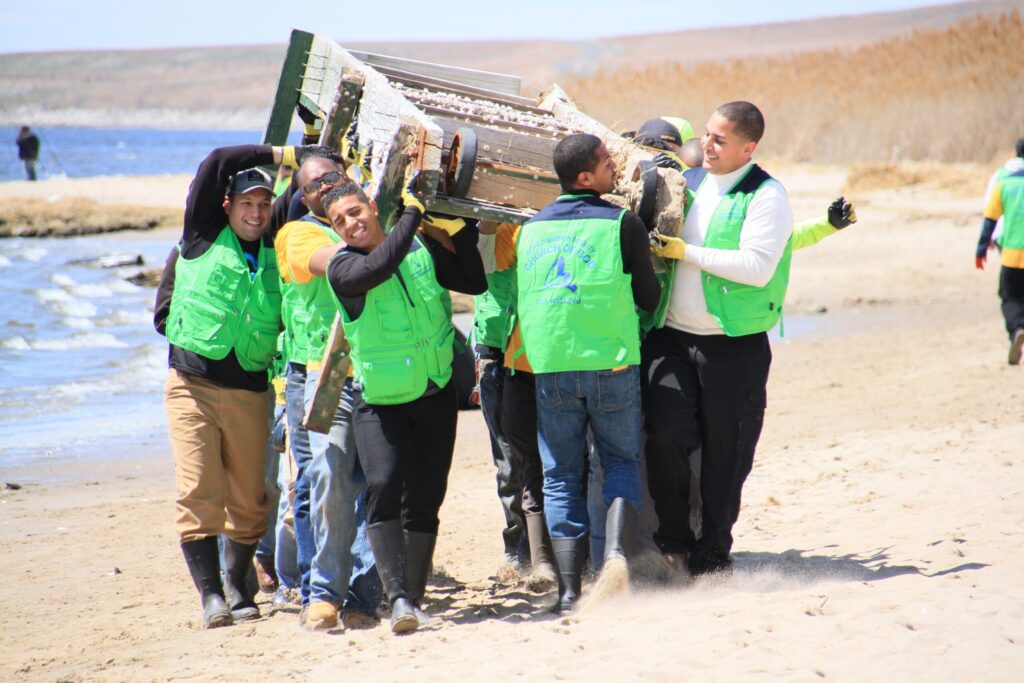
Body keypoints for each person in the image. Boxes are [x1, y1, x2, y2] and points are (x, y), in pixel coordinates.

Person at [164, 142, 316, 628]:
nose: (255, 212)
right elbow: (215, 162)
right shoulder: (202, 233)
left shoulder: (278, 247)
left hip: (251, 391)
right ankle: (211, 596)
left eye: (262, 203)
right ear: (227, 206)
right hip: (192, 386)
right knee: (198, 490)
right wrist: (286, 151)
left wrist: (316, 160)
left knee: (253, 498)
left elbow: (311, 191)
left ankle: (239, 584)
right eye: (246, 203)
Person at [324, 177, 486, 633]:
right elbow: (377, 267)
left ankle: (412, 599)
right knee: (384, 483)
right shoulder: (343, 269)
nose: (351, 224)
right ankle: (395, 598)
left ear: (373, 207)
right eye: (339, 221)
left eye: (356, 212)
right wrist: (412, 216)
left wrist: (456, 232)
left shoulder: (419, 250)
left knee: (427, 494)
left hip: (435, 393)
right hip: (380, 403)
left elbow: (473, 281)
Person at [644, 101, 793, 576]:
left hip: (734, 345)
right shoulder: (685, 183)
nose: (705, 146)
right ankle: (674, 539)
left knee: (727, 454)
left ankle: (713, 552)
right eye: (706, 134)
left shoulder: (767, 196)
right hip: (670, 337)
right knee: (665, 436)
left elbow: (757, 267)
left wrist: (687, 252)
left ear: (748, 148)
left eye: (719, 140)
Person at [515, 133, 660, 612]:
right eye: (605, 163)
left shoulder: (530, 229)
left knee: (559, 476)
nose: (613, 169)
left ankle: (570, 592)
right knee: (618, 461)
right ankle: (615, 556)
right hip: (611, 363)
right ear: (585, 177)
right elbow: (648, 297)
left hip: (552, 366)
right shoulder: (622, 223)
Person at [276, 151, 382, 630]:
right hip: (325, 369)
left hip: (379, 364)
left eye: (333, 178)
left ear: (350, 176)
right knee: (328, 474)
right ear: (303, 196)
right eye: (314, 184)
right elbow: (337, 265)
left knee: (376, 482)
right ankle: (321, 591)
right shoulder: (298, 233)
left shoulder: (368, 219)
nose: (324, 187)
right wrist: (379, 236)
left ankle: (364, 594)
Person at [472, 222, 528, 580]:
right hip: (497, 352)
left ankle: (546, 549)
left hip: (540, 351)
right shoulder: (484, 224)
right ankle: (517, 550)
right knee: (509, 463)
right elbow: (481, 260)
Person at [976, 137, 1024, 365]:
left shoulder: (1002, 179)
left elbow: (990, 217)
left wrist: (982, 248)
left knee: (1010, 296)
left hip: (1011, 250)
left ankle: (1017, 329)